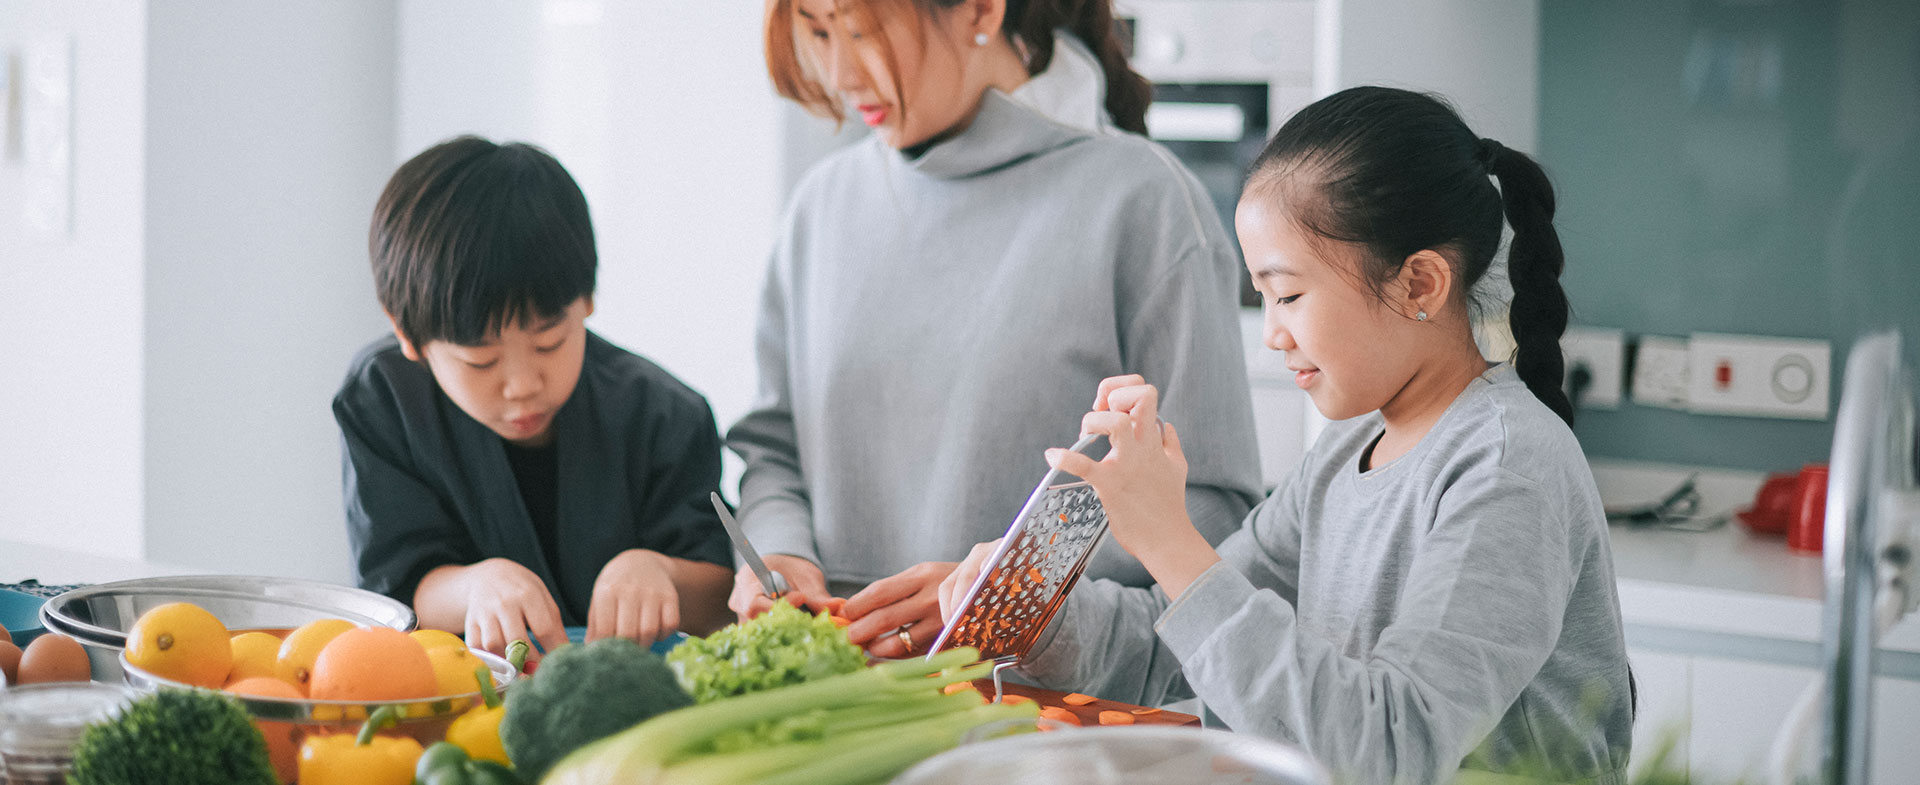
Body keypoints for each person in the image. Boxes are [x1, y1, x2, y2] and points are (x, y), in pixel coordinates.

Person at [942, 87, 1634, 785]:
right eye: (1263, 297)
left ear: (1420, 284)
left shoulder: (1507, 467)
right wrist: (1035, 607)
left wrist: (1168, 540)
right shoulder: (1344, 454)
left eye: (1290, 294)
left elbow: (1391, 750)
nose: (1272, 334)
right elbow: (1173, 641)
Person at [726, 0, 1264, 657]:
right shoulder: (822, 205)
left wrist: (1007, 583)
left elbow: (1210, 507)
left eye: (860, 30)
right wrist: (777, 553)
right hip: (829, 699)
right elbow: (775, 448)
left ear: (980, 10)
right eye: (817, 31)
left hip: (1033, 722)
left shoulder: (1144, 201)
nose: (840, 73)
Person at [334, 136, 734, 657]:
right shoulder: (383, 400)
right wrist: (474, 587)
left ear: (587, 300)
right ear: (408, 334)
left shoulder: (663, 414)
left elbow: (724, 596)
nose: (522, 384)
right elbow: (392, 589)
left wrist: (658, 571)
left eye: (550, 342)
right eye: (481, 359)